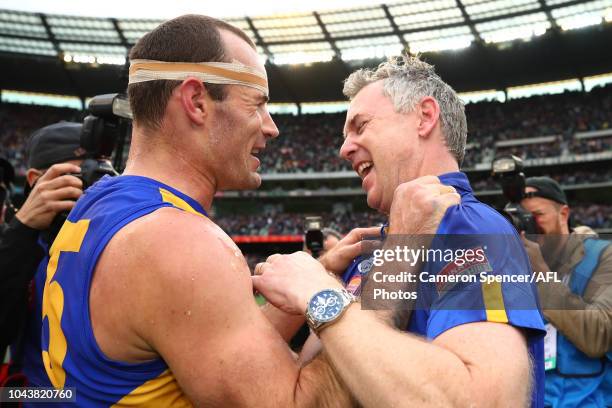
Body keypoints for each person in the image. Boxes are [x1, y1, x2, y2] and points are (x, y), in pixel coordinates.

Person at [29, 14, 363, 407]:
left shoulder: (102, 200)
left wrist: (322, 269)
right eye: (257, 104)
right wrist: (370, 292)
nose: (271, 127)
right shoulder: (179, 241)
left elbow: (212, 346)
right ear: (196, 101)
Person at [252, 55, 546, 407]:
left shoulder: (466, 227)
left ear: (425, 117)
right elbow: (307, 391)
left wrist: (317, 292)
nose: (344, 149)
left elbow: (487, 400)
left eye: (360, 126)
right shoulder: (373, 248)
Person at [0, 123, 85, 377]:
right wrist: (22, 229)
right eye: (77, 176)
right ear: (35, 180)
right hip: (25, 394)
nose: (90, 188)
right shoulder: (19, 242)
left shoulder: (113, 239)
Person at [520, 176, 612, 407]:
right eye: (522, 220)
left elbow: (598, 335)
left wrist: (541, 274)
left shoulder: (603, 256)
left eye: (537, 216)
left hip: (590, 399)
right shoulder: (513, 266)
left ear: (563, 214)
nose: (530, 227)